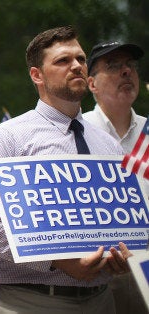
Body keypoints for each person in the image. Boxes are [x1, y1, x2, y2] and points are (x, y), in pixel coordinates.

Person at [0, 26, 132, 314]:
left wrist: (124, 253)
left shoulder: (109, 146)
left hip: (102, 301)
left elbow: (123, 220)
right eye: (62, 61)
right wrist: (58, 262)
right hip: (29, 301)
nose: (77, 66)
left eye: (80, 59)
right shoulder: (10, 137)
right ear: (36, 75)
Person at [83, 41, 148, 314]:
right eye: (113, 66)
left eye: (130, 66)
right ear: (92, 84)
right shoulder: (75, 132)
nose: (126, 72)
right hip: (95, 272)